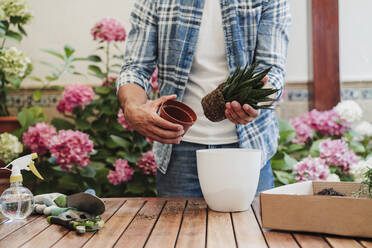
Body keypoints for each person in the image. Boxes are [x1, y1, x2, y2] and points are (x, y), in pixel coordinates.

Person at [117, 0, 291, 197]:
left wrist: (255, 100)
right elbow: (135, 67)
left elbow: (272, 69)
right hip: (179, 149)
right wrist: (132, 108)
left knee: (250, 228)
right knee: (176, 228)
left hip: (249, 148)